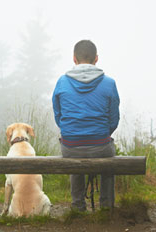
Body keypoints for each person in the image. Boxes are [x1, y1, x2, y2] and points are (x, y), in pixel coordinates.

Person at [52, 40, 120, 210]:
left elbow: (58, 115)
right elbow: (114, 120)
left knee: (73, 151)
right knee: (109, 156)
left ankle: (77, 207)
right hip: (101, 146)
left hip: (70, 146)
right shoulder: (109, 83)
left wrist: (73, 132)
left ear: (74, 59)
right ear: (96, 59)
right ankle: (106, 207)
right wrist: (100, 134)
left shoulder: (62, 82)